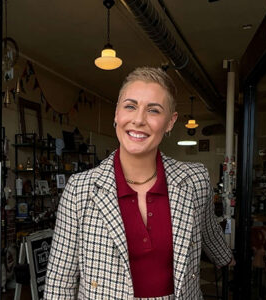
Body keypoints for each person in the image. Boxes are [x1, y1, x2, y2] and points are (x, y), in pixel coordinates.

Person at [44, 67, 233, 299]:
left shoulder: (195, 179)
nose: (139, 119)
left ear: (170, 122)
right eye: (130, 106)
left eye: (153, 110)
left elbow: (208, 230)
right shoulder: (80, 189)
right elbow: (59, 281)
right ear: (116, 114)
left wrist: (228, 259)